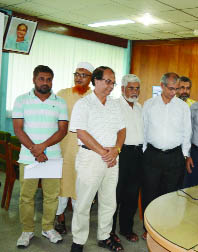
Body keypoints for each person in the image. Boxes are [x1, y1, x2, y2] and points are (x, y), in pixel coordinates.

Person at [69, 66, 126, 252]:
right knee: (83, 203)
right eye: (108, 81)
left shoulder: (115, 105)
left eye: (113, 82)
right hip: (91, 158)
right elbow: (81, 133)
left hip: (112, 160)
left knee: (109, 202)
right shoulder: (83, 104)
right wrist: (104, 152)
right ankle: (78, 241)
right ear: (96, 80)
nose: (111, 86)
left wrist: (116, 150)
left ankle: (104, 236)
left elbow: (122, 130)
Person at [12, 65, 68, 248]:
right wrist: (34, 150)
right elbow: (18, 129)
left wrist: (42, 148)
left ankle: (48, 228)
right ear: (34, 79)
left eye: (49, 79)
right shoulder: (21, 100)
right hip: (28, 158)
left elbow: (63, 130)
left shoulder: (59, 102)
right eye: (42, 79)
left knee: (51, 196)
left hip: (52, 157)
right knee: (26, 197)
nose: (45, 82)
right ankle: (27, 231)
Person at [141, 72, 191, 239]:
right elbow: (143, 129)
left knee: (169, 194)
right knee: (150, 192)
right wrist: (144, 152)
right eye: (171, 88)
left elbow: (187, 132)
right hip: (152, 156)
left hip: (174, 156)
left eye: (176, 89)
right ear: (162, 86)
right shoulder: (149, 104)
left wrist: (184, 155)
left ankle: (165, 229)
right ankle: (148, 228)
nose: (174, 92)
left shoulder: (183, 107)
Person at [54, 62, 94, 235]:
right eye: (76, 74)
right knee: (63, 185)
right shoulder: (62, 94)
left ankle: (79, 220)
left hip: (87, 150)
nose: (79, 78)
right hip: (64, 148)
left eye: (83, 75)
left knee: (82, 186)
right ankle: (60, 217)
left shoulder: (96, 98)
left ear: (91, 79)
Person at [111, 74, 143, 243]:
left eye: (137, 88)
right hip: (121, 154)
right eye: (131, 88)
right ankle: (109, 232)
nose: (134, 91)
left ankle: (126, 229)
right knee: (115, 196)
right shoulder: (114, 106)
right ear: (122, 89)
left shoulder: (139, 107)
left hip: (138, 156)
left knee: (131, 196)